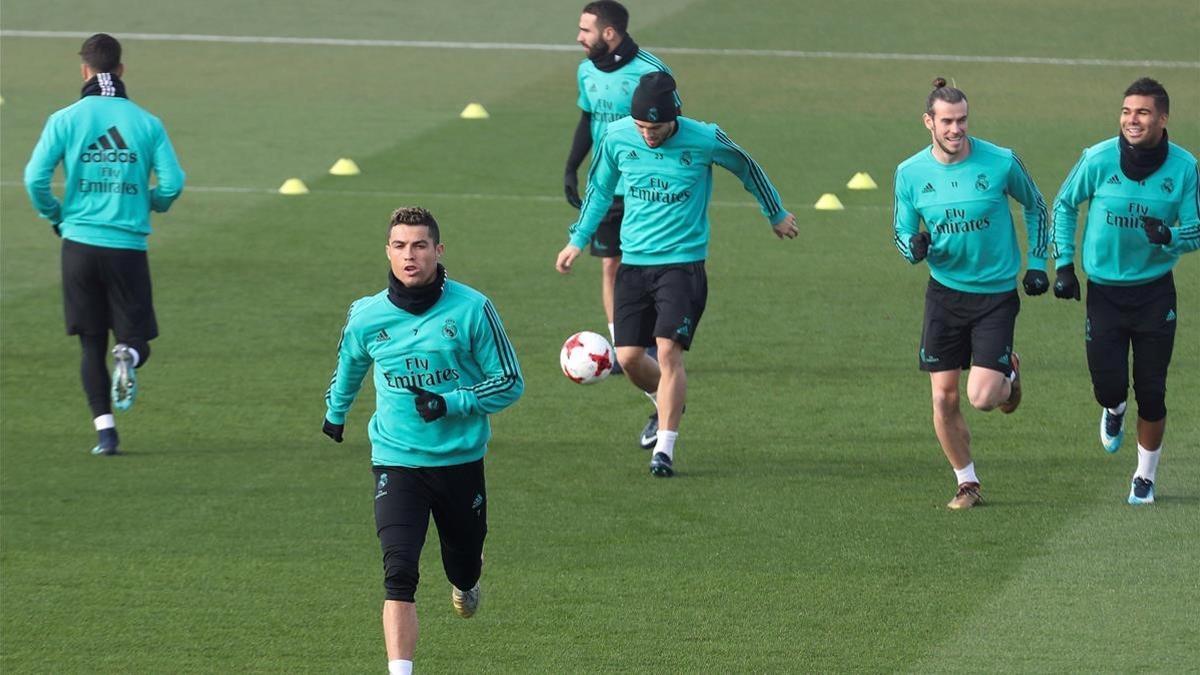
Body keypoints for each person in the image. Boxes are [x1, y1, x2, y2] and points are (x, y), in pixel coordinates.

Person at [555, 72, 797, 478]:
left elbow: (748, 169)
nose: (648, 135)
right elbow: (599, 190)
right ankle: (666, 398)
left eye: (656, 127)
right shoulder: (617, 138)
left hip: (682, 266)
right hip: (634, 264)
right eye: (641, 127)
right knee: (630, 358)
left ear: (675, 117)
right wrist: (577, 240)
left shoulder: (704, 138)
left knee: (668, 352)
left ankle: (664, 450)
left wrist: (775, 214)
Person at [323, 207, 524, 675]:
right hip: (396, 459)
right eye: (399, 246)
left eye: (419, 245)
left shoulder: (473, 308)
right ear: (388, 252)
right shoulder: (366, 315)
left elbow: (510, 382)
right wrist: (335, 413)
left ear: (438, 250)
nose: (409, 255)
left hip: (459, 460)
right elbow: (350, 366)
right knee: (398, 573)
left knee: (463, 564)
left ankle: (466, 579)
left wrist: (450, 402)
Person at [23, 33, 185, 456]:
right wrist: (151, 203)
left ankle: (105, 433)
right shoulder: (146, 122)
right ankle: (128, 356)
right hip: (127, 246)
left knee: (90, 342)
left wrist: (56, 215)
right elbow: (173, 183)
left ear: (84, 70)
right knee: (136, 340)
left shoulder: (65, 118)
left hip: (78, 245)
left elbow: (34, 179)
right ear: (122, 70)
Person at [892, 77, 1050, 510]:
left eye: (962, 120)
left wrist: (1037, 264)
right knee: (943, 397)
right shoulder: (909, 173)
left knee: (981, 398)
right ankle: (967, 483)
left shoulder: (1000, 161)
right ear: (929, 122)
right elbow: (902, 232)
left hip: (995, 295)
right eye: (946, 121)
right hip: (945, 294)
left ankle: (1008, 374)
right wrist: (914, 248)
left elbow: (1037, 205)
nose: (956, 129)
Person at [1050, 77, 1198, 506]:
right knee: (1109, 386)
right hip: (1105, 293)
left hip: (1154, 293)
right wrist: (1064, 265)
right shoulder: (1097, 159)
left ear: (1163, 118)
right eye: (1126, 111)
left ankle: (1144, 477)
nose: (1132, 120)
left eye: (1143, 112)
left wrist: (1169, 235)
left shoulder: (1185, 168)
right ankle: (1113, 409)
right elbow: (1063, 203)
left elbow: (1196, 228)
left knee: (1152, 389)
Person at [565, 0, 677, 370]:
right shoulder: (586, 71)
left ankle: (656, 344)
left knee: (648, 264)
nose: (579, 37)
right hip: (607, 186)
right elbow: (588, 118)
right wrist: (571, 167)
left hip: (646, 188)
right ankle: (621, 346)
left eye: (586, 30)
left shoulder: (651, 72)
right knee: (611, 264)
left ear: (609, 33)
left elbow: (674, 125)